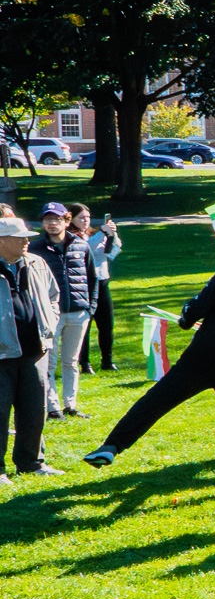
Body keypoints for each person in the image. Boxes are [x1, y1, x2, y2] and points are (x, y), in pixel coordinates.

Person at [85, 237, 215, 495]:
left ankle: (112, 446)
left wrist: (185, 316)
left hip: (205, 353)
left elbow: (193, 312)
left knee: (158, 399)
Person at [0, 217, 58, 484]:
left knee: (36, 410)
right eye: (20, 236)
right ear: (1, 240)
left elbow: (54, 296)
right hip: (2, 356)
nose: (27, 240)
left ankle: (31, 462)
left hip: (36, 351)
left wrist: (50, 322)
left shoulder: (37, 263)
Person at [29, 202, 93, 419]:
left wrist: (89, 308)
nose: (52, 223)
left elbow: (93, 278)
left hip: (79, 312)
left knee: (71, 361)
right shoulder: (35, 248)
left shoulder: (81, 245)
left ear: (66, 221)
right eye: (47, 219)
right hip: (50, 314)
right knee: (50, 360)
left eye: (56, 219)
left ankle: (71, 404)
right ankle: (52, 406)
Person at [76, 207, 119, 374]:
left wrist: (112, 235)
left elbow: (114, 249)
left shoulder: (95, 234)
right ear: (71, 219)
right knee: (84, 326)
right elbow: (86, 249)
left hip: (102, 282)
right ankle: (84, 364)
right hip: (85, 285)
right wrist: (102, 232)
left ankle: (107, 361)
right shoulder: (73, 237)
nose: (86, 220)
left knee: (107, 324)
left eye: (87, 217)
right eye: (81, 217)